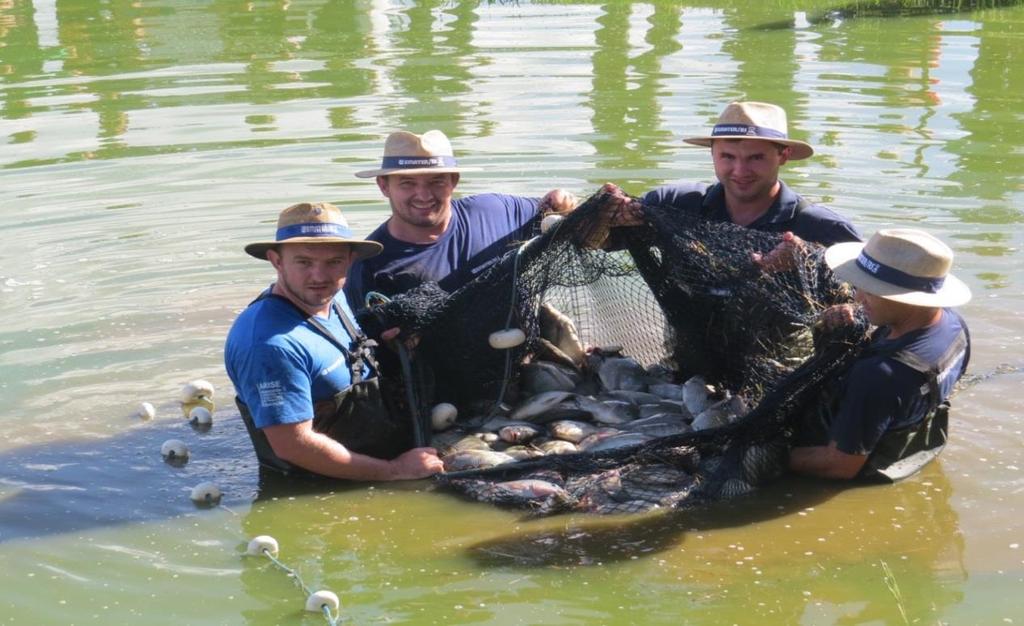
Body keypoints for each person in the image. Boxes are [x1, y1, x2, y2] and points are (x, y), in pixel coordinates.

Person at [224, 202, 444, 481]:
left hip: (378, 456)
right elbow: (293, 446)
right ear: (276, 260)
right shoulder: (269, 345)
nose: (319, 276)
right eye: (304, 262)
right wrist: (395, 470)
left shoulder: (333, 297)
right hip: (316, 487)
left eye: (334, 262)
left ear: (350, 261)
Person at [789, 228, 971, 481]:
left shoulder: (880, 374)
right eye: (859, 285)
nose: (857, 297)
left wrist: (773, 457)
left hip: (857, 467)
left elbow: (838, 465)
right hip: (912, 444)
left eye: (871, 291)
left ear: (909, 299)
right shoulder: (954, 325)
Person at [344, 129, 578, 309]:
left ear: (453, 181)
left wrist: (566, 204)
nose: (424, 195)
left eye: (437, 181)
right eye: (407, 183)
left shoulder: (495, 212)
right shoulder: (368, 265)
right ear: (384, 186)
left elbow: (567, 220)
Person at [604, 100, 860, 247]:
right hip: (687, 340)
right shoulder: (674, 204)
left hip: (785, 342)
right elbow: (596, 242)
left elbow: (876, 303)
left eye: (756, 158)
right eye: (728, 157)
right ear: (712, 154)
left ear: (783, 156)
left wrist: (807, 261)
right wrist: (592, 212)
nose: (740, 171)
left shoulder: (821, 226)